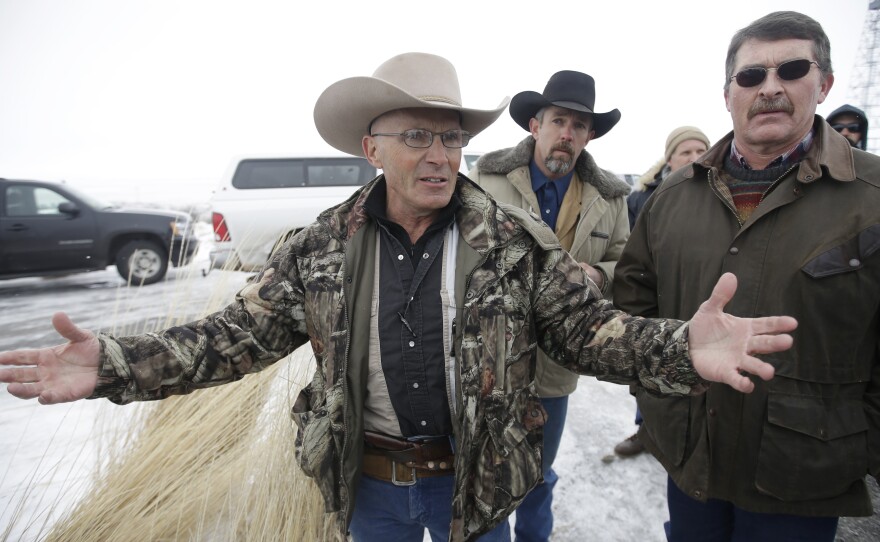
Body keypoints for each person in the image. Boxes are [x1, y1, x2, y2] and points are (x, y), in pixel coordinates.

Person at [0, 52, 798, 542]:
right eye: (416, 135)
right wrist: (111, 363)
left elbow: (594, 334)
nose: (438, 154)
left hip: (478, 485)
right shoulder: (320, 249)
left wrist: (677, 349)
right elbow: (224, 340)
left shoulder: (511, 242)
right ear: (370, 146)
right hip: (372, 487)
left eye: (449, 136)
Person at [613, 11, 880, 542]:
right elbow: (632, 304)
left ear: (823, 84)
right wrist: (660, 397)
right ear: (728, 93)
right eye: (752, 76)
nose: (770, 88)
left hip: (801, 476)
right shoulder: (671, 197)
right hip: (690, 459)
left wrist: (859, 439)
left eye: (793, 69)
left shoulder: (871, 199)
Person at [467, 70, 630, 541]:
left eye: (579, 125)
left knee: (538, 472)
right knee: (488, 473)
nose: (567, 134)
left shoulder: (610, 198)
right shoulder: (486, 177)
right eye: (559, 120)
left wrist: (598, 275)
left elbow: (630, 266)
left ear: (590, 134)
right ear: (535, 126)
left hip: (557, 366)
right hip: (489, 361)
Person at [613, 126, 710, 458]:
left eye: (701, 150)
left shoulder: (717, 191)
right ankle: (647, 430)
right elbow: (629, 252)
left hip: (700, 297)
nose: (694, 158)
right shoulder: (643, 196)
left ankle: (699, 438)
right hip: (659, 297)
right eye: (686, 151)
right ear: (670, 158)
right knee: (652, 366)